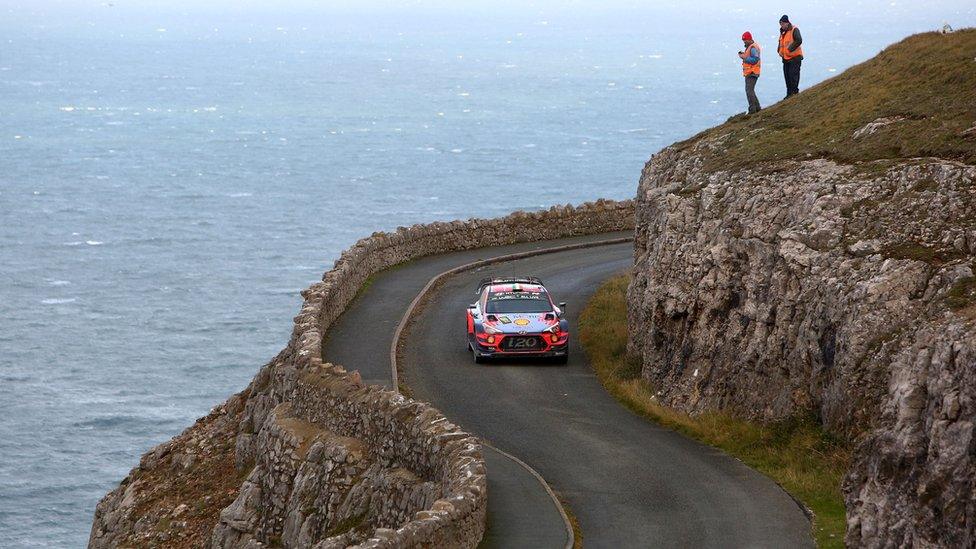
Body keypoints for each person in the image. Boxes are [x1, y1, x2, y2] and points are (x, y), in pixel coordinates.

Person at [777, 15, 803, 97]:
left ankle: (794, 93)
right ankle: (789, 95)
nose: (781, 25)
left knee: (793, 77)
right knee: (787, 78)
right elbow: (781, 43)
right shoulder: (782, 32)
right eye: (780, 24)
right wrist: (778, 50)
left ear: (787, 23)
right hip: (786, 59)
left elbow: (799, 40)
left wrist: (790, 49)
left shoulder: (794, 29)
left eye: (782, 24)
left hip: (795, 58)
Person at [738, 32, 762, 114]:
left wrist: (744, 57)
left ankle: (752, 109)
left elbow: (755, 60)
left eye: (745, 40)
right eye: (743, 40)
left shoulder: (753, 48)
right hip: (751, 72)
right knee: (750, 90)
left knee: (749, 91)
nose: (744, 42)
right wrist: (744, 55)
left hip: (752, 72)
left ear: (750, 39)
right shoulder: (750, 47)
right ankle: (757, 108)